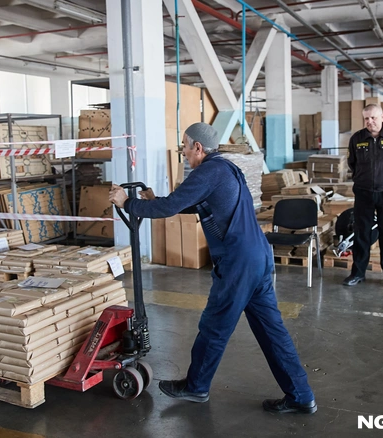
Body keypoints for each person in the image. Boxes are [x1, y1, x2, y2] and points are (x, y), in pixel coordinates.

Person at [108, 122, 316, 414]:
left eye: (184, 146)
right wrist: (155, 200)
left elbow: (170, 208)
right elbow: (190, 203)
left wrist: (127, 202)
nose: (183, 152)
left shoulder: (208, 171)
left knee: (214, 326)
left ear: (198, 147)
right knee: (272, 331)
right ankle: (301, 395)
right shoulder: (226, 168)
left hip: (238, 262)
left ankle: (196, 386)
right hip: (257, 257)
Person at [344, 104, 383, 289]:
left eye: (373, 117)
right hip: (363, 191)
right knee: (362, 232)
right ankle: (358, 273)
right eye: (366, 118)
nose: (369, 121)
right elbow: (352, 163)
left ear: (382, 117)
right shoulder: (357, 138)